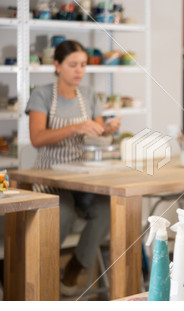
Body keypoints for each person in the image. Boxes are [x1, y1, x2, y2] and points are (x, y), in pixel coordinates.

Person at [25, 40, 121, 295]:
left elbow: (96, 135)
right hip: (49, 176)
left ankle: (76, 267)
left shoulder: (88, 96)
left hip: (83, 175)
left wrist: (107, 130)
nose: (79, 70)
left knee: (106, 207)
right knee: (63, 212)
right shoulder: (42, 95)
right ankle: (40, 270)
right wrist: (76, 127)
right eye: (73, 64)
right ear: (57, 66)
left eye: (83, 65)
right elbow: (37, 138)